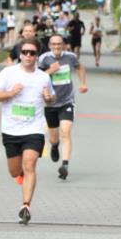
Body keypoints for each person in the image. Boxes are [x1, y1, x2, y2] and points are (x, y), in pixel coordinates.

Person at [0, 37, 55, 224]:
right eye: (25, 52)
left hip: (34, 129)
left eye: (32, 53)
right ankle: (22, 179)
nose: (28, 55)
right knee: (15, 171)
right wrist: (10, 93)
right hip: (10, 129)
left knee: (30, 164)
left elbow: (52, 98)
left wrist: (49, 98)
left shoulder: (43, 77)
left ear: (37, 56)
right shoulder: (8, 73)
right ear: (20, 54)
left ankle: (25, 205)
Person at [39, 35, 88, 180]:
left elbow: (80, 67)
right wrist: (50, 71)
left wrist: (83, 83)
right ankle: (54, 146)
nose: (57, 47)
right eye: (54, 44)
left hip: (67, 101)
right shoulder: (44, 59)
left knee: (66, 132)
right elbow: (37, 77)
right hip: (51, 103)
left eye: (59, 44)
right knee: (54, 138)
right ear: (49, 45)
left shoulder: (70, 57)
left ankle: (65, 165)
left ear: (64, 45)